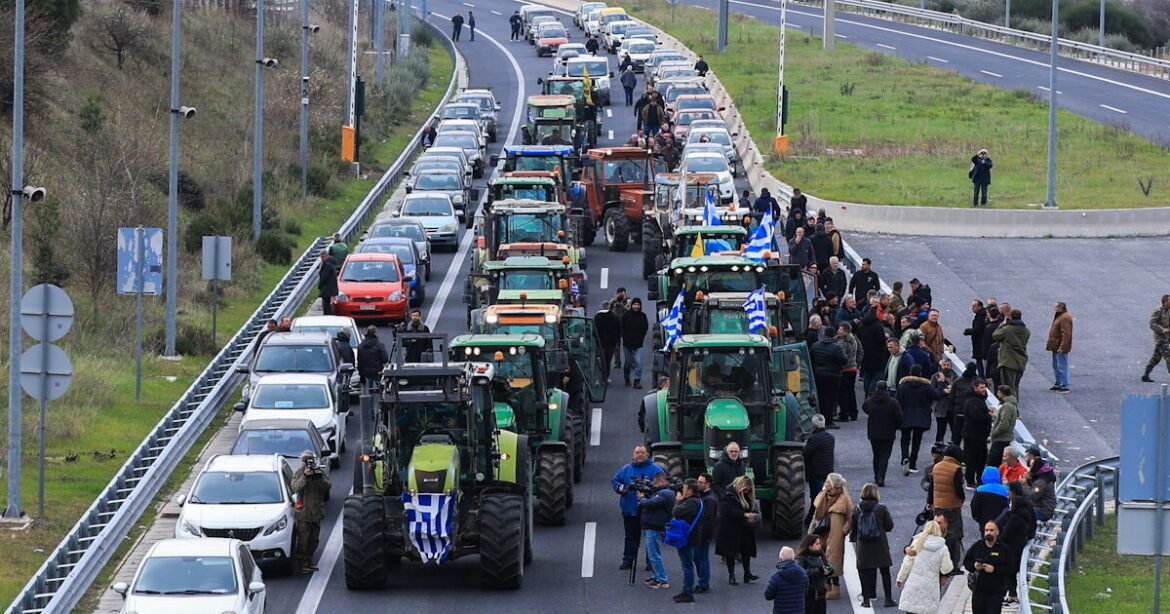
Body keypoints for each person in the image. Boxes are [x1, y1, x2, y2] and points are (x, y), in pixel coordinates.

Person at [612, 446, 666, 570]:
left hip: (649, 509)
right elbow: (615, 481)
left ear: (647, 454)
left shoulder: (655, 470)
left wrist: (649, 490)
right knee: (630, 537)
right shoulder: (625, 469)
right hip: (629, 509)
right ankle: (628, 560)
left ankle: (651, 562)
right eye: (637, 453)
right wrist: (621, 488)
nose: (640, 455)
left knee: (650, 537)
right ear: (633, 454)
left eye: (642, 453)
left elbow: (663, 485)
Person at [850, 483, 896, 608]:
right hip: (879, 544)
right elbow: (889, 526)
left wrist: (855, 539)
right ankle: (888, 599)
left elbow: (853, 529)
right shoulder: (881, 508)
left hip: (863, 546)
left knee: (864, 572)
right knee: (885, 571)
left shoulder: (857, 509)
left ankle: (866, 599)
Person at [809, 473, 852, 600]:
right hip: (821, 532)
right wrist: (811, 530)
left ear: (833, 485)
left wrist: (844, 531)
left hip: (835, 534)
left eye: (828, 481)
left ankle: (835, 587)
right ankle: (826, 585)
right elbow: (815, 515)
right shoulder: (823, 496)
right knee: (822, 558)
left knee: (833, 560)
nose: (825, 483)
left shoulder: (844, 499)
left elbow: (851, 517)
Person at [896, 521, 954, 613]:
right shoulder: (942, 547)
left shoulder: (917, 543)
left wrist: (900, 579)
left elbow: (907, 564)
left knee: (912, 610)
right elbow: (946, 568)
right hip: (931, 585)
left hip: (914, 584)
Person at [291, 450, 332, 573]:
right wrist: (305, 476)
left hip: (316, 512)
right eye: (306, 461)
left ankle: (309, 561)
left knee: (314, 540)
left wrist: (317, 477)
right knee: (303, 540)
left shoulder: (319, 471)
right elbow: (295, 487)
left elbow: (328, 486)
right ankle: (302, 564)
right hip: (303, 513)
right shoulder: (299, 473)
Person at [928, 445, 966, 572]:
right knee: (954, 536)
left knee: (939, 534)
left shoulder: (936, 467)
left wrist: (930, 502)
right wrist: (962, 498)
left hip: (938, 506)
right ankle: (951, 565)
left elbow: (931, 487)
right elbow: (958, 489)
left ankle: (937, 563)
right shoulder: (956, 468)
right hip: (952, 506)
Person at [999, 481, 1037, 606]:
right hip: (1022, 543)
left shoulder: (1015, 517)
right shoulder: (1027, 508)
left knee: (1009, 571)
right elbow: (1033, 524)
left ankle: (1012, 595)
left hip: (1012, 546)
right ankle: (1012, 594)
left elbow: (1006, 533)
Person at [896, 364, 939, 476]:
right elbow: (936, 396)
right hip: (921, 417)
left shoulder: (903, 386)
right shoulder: (926, 386)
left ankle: (905, 458)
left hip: (905, 415)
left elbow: (898, 401)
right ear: (920, 373)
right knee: (917, 441)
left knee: (904, 439)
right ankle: (913, 462)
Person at [717, 476, 760, 585]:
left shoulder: (746, 494)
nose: (747, 492)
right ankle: (731, 575)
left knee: (746, 551)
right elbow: (727, 510)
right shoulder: (728, 494)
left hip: (744, 527)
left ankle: (747, 573)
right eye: (746, 489)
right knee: (731, 553)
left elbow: (750, 506)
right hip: (730, 528)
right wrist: (744, 514)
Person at [636, 472, 674, 590]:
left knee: (654, 555)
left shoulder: (665, 493)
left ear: (661, 482)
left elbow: (650, 504)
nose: (653, 485)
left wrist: (642, 498)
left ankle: (662, 579)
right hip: (651, 526)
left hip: (654, 527)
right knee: (652, 554)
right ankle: (655, 576)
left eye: (655, 483)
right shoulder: (660, 493)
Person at [964, 521, 1013, 613]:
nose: (988, 532)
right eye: (986, 530)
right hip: (979, 591)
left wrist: (994, 569)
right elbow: (966, 562)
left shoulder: (1004, 549)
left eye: (991, 530)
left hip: (996, 592)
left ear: (997, 532)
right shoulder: (977, 546)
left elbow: (1010, 569)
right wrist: (974, 566)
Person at [670, 479, 705, 603]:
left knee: (687, 566)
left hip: (687, 537)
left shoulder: (691, 503)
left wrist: (679, 500)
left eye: (684, 488)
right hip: (692, 536)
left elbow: (676, 511)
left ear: (690, 490)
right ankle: (686, 590)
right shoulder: (697, 501)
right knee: (688, 564)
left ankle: (687, 592)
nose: (682, 491)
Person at [862, 381, 902, 487]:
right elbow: (899, 417)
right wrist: (896, 426)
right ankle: (881, 477)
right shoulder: (893, 402)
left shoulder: (871, 401)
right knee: (885, 455)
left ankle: (876, 476)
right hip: (888, 432)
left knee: (876, 455)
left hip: (874, 432)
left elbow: (865, 407)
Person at [811, 332, 847, 428]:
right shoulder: (836, 347)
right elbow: (843, 360)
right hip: (833, 377)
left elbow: (811, 359)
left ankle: (821, 420)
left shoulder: (815, 345)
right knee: (831, 399)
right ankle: (829, 421)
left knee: (821, 398)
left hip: (818, 376)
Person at [961, 379, 993, 488]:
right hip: (973, 435)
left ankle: (979, 479)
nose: (984, 390)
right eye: (981, 387)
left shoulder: (978, 399)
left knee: (981, 459)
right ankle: (970, 481)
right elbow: (976, 417)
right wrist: (989, 416)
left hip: (979, 435)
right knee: (972, 459)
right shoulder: (972, 401)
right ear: (975, 388)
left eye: (984, 387)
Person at [992, 309, 1030, 396]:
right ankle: (1015, 403)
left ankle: (1011, 406)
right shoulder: (1026, 331)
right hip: (1021, 361)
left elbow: (995, 335)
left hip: (1008, 361)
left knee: (1008, 387)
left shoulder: (1007, 329)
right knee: (1015, 386)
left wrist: (1003, 323)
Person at [803, 415, 836, 514]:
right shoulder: (830, 438)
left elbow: (806, 453)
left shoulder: (813, 439)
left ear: (813, 425)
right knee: (826, 494)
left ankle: (815, 518)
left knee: (817, 496)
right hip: (828, 470)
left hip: (816, 472)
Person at [794, 534, 832, 614]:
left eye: (819, 543)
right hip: (809, 595)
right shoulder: (801, 558)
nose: (820, 546)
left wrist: (829, 570)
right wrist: (819, 570)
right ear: (809, 546)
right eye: (817, 544)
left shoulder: (820, 555)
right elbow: (801, 573)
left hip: (821, 594)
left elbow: (828, 565)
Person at [765, 546, 808, 614]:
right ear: (793, 558)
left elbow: (768, 595)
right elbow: (805, 591)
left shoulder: (776, 577)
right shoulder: (803, 574)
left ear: (781, 558)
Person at [695, 473, 719, 593]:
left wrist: (700, 535)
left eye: (700, 482)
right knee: (697, 557)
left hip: (703, 534)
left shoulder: (709, 500)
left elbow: (708, 520)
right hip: (699, 533)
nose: (697, 484)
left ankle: (704, 583)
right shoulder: (703, 496)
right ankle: (702, 580)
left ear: (708, 484)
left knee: (702, 558)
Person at [857, 312, 889, 396]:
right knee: (877, 377)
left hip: (865, 357)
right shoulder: (878, 327)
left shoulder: (861, 326)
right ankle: (871, 394)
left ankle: (867, 393)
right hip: (878, 357)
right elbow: (881, 341)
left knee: (867, 376)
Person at [837, 322, 863, 422]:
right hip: (852, 368)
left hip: (845, 369)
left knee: (843, 393)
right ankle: (853, 413)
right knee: (851, 392)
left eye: (840, 329)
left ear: (845, 331)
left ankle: (844, 414)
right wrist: (856, 364)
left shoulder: (842, 342)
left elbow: (841, 357)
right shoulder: (854, 339)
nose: (838, 331)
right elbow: (861, 352)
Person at [620, 298, 649, 388]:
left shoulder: (643, 316)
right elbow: (622, 328)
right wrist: (624, 338)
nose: (636, 306)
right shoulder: (626, 315)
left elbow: (645, 328)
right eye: (634, 304)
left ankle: (637, 381)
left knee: (639, 362)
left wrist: (641, 337)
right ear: (631, 305)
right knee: (628, 363)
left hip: (638, 344)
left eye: (638, 305)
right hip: (627, 344)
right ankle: (627, 379)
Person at [988, 384, 1018, 467]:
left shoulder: (1007, 406)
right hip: (1004, 438)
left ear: (1001, 393)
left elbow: (1003, 424)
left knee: (992, 463)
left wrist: (993, 433)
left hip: (1000, 439)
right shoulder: (1011, 404)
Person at [1046, 301, 1072, 392]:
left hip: (1059, 346)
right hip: (1056, 345)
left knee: (1062, 365)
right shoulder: (1060, 316)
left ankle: (1064, 384)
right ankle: (1059, 382)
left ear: (1060, 308)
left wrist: (1063, 347)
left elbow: (1066, 334)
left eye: (1056, 307)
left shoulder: (1064, 317)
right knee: (1056, 365)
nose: (1054, 308)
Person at [1025, 447, 1057, 522]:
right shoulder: (1043, 474)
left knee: (1020, 516)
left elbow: (1032, 496)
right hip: (1039, 507)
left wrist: (1024, 484)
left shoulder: (1042, 481)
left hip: (1043, 511)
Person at [1144, 294, 1170, 382]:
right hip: (1160, 339)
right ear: (1165, 301)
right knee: (1169, 356)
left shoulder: (1168, 311)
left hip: (1167, 338)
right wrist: (1163, 330)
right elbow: (1152, 324)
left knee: (1156, 358)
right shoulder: (1158, 311)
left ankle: (1145, 375)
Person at [594, 301, 620, 382]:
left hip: (600, 342)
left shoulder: (597, 317)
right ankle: (606, 376)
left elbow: (594, 330)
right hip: (611, 343)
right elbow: (618, 330)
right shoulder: (614, 317)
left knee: (600, 360)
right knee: (608, 360)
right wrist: (616, 340)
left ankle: (600, 376)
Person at [931, 357, 955, 443]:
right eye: (944, 365)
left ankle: (954, 447)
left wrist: (953, 390)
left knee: (954, 429)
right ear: (941, 366)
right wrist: (943, 391)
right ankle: (938, 446)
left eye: (948, 365)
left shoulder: (956, 377)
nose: (946, 367)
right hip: (941, 407)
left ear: (951, 366)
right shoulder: (935, 377)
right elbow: (932, 392)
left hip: (952, 408)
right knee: (941, 429)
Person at [965, 299, 988, 376]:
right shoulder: (982, 315)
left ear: (980, 306)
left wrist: (968, 331)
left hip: (980, 344)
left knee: (980, 362)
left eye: (974, 306)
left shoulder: (980, 317)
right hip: (981, 343)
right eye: (972, 306)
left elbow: (977, 330)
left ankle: (982, 378)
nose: (972, 308)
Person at [318, 250, 337, 315]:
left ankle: (327, 317)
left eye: (323, 257)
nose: (322, 259)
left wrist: (319, 285)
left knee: (326, 305)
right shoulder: (331, 263)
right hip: (331, 288)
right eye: (321, 257)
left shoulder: (327, 265)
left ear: (326, 256)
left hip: (327, 289)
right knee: (328, 304)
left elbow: (324, 277)